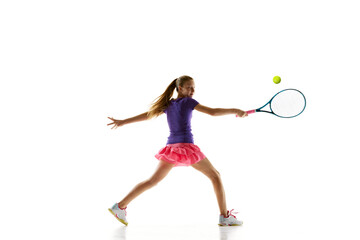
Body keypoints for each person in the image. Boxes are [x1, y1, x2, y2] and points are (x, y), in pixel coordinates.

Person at [107, 75, 247, 226]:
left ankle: (119, 206)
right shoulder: (187, 101)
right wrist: (236, 110)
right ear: (180, 88)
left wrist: (123, 122)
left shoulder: (168, 104)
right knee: (215, 176)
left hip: (171, 148)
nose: (192, 90)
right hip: (186, 147)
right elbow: (212, 112)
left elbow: (148, 115)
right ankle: (225, 216)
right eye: (189, 87)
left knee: (152, 181)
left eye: (194, 87)